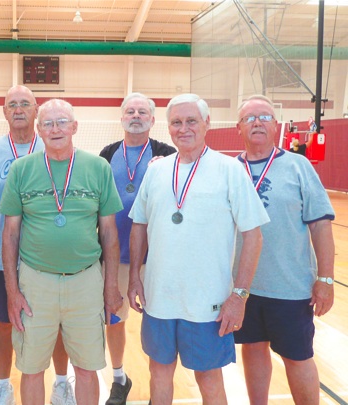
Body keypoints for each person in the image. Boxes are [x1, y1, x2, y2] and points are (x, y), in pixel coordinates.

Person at [127, 93, 269, 404]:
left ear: (207, 124)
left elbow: (253, 236)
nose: (184, 128)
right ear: (168, 128)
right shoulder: (156, 170)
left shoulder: (230, 169)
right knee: (159, 372)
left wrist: (240, 295)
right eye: (176, 122)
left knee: (209, 380)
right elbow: (139, 226)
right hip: (158, 298)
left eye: (191, 121)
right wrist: (134, 277)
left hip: (209, 302)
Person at [0, 98, 124, 405]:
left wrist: (110, 287)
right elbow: (10, 234)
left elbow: (109, 232)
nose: (56, 129)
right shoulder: (21, 169)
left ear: (75, 127)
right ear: (39, 129)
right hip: (34, 282)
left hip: (85, 281)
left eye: (62, 122)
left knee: (86, 368)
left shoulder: (98, 167)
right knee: (31, 369)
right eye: (48, 123)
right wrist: (12, 292)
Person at [0, 86, 74, 405]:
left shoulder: (55, 147)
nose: (18, 109)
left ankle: (60, 383)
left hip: (49, 258)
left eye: (25, 104)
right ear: (4, 112)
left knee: (57, 325)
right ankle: (3, 386)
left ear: (36, 111)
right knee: (4, 323)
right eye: (12, 104)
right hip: (6, 260)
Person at [234, 95, 335, 405]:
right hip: (242, 289)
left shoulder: (298, 165)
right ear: (239, 128)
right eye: (250, 118)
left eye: (264, 117)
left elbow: (320, 226)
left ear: (276, 126)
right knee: (252, 348)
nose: (257, 123)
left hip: (290, 288)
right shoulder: (227, 169)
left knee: (298, 356)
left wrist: (326, 279)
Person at [98, 92, 176, 405]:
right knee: (113, 318)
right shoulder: (107, 153)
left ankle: (161, 382)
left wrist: (168, 168)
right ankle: (119, 377)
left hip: (155, 257)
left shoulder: (167, 153)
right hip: (115, 255)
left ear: (153, 120)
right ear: (121, 117)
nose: (136, 115)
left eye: (142, 111)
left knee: (156, 321)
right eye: (130, 111)